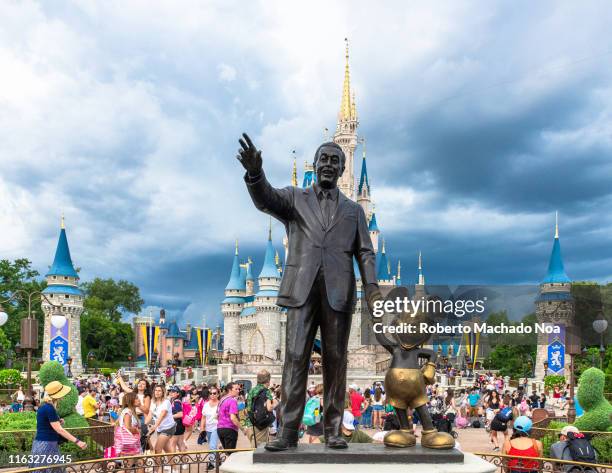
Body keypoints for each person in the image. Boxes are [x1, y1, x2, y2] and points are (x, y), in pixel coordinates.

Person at [237, 133, 380, 451]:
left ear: (343, 169)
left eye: (335, 160)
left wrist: (371, 287)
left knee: (336, 360)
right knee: (295, 358)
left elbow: (366, 252)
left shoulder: (354, 211)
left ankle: (332, 430)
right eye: (324, 159)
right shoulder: (295, 198)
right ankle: (288, 431)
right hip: (301, 291)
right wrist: (255, 174)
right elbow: (266, 199)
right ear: (315, 165)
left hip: (339, 293)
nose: (329, 164)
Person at [29, 381, 87, 472]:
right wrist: (77, 441)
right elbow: (59, 430)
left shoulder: (44, 406)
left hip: (42, 443)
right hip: (47, 445)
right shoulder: (49, 408)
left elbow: (44, 423)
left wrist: (58, 421)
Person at [245, 369, 277, 447]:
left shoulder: (252, 390)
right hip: (259, 425)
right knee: (259, 450)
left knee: (253, 448)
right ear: (268, 380)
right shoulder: (266, 391)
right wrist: (276, 403)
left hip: (249, 423)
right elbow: (269, 408)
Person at [146, 385, 176, 454]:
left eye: (159, 391)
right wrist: (145, 425)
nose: (157, 392)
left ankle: (158, 465)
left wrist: (154, 427)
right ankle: (173, 465)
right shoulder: (153, 402)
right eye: (156, 390)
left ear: (163, 392)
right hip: (160, 428)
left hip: (168, 428)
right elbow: (150, 414)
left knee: (157, 449)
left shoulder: (166, 402)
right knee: (167, 450)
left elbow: (162, 415)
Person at [217, 382, 246, 451]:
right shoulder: (232, 400)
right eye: (236, 389)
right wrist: (242, 429)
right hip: (230, 429)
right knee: (231, 454)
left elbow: (217, 415)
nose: (238, 391)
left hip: (220, 429)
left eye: (239, 389)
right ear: (230, 390)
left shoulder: (222, 399)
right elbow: (233, 418)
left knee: (228, 453)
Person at [115, 392, 141, 457]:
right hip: (129, 442)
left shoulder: (130, 411)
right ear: (131, 400)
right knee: (133, 462)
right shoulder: (128, 412)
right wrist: (137, 431)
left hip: (129, 442)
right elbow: (128, 427)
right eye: (136, 398)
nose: (139, 400)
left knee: (138, 462)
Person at [168, 387, 187, 455]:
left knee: (172, 444)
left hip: (176, 425)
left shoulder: (176, 402)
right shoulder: (176, 401)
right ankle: (184, 463)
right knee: (180, 443)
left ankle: (172, 463)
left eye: (173, 391)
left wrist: (169, 417)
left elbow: (180, 414)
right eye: (170, 391)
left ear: (178, 393)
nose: (171, 393)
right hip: (179, 424)